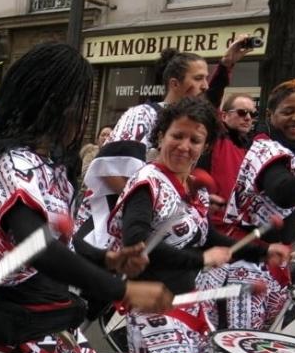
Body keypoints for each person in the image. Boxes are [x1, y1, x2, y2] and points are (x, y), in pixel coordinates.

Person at [0, 43, 172, 353]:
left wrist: (109, 260)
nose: (83, 117)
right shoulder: (12, 162)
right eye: (79, 106)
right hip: (17, 323)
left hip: (50, 318)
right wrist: (120, 288)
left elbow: (61, 246)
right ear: (51, 104)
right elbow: (34, 247)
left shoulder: (50, 166)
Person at [108, 97, 288, 353]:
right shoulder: (147, 182)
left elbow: (207, 237)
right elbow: (138, 244)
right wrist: (201, 260)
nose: (184, 146)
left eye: (195, 140)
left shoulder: (194, 189)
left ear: (205, 146)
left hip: (188, 303)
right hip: (152, 310)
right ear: (160, 136)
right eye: (177, 136)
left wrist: (263, 252)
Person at [78, 38, 252, 249]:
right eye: (198, 78)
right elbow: (110, 171)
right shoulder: (141, 115)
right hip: (109, 238)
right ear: (174, 84)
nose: (205, 85)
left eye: (206, 78)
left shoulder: (192, 122)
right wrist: (151, 209)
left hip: (156, 241)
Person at [201, 79, 295, 330]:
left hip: (270, 266)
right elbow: (283, 194)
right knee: (238, 346)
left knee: (261, 343)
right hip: (243, 266)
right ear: (271, 115)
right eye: (288, 111)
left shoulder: (288, 154)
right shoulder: (266, 149)